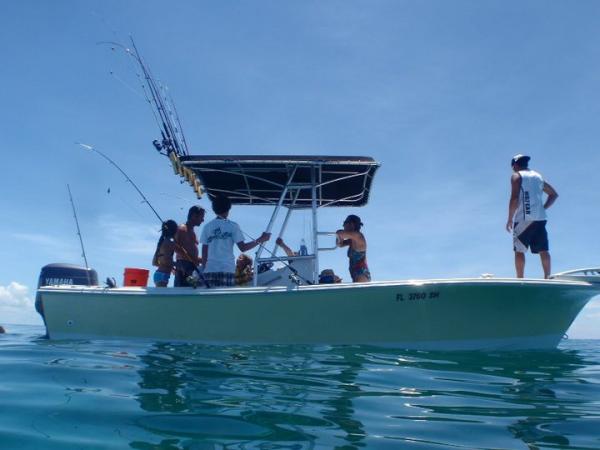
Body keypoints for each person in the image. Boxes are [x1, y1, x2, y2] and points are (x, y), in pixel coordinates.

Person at [506, 154, 558, 279]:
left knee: (519, 250)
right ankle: (547, 277)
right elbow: (553, 194)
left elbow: (514, 198)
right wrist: (543, 208)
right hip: (540, 218)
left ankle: (520, 278)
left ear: (515, 165)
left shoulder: (517, 176)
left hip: (524, 218)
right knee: (543, 250)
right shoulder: (538, 177)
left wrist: (509, 218)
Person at [201, 195, 271, 287]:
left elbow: (204, 251)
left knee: (210, 300)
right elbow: (243, 248)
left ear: (214, 209)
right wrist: (261, 239)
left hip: (209, 271)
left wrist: (204, 269)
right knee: (225, 301)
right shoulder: (233, 226)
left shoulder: (207, 227)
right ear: (228, 209)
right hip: (227, 270)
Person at [174, 205, 205, 287]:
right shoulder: (182, 228)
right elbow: (175, 247)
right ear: (194, 215)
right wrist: (194, 259)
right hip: (183, 266)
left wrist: (200, 259)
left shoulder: (192, 231)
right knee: (182, 294)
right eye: (201, 217)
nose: (203, 220)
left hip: (192, 266)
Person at [336, 214, 371, 282]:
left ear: (351, 224)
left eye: (344, 223)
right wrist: (339, 237)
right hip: (357, 274)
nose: (343, 226)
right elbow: (340, 244)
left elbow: (340, 234)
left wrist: (338, 233)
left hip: (362, 275)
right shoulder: (352, 240)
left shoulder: (358, 236)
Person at [152, 220, 178, 287]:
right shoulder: (169, 243)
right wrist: (178, 265)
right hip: (162, 276)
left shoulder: (161, 243)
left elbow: (154, 262)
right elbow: (167, 260)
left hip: (159, 274)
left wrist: (171, 267)